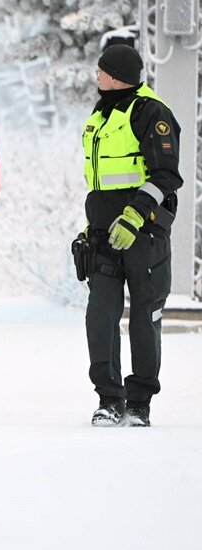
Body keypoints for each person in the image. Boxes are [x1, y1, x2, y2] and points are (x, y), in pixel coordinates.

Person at [78, 44, 181, 427]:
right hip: (105, 235)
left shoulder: (152, 113)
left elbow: (166, 175)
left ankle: (139, 402)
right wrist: (93, 224)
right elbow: (100, 183)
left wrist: (135, 215)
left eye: (102, 70)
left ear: (116, 75)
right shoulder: (102, 113)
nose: (97, 76)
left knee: (143, 317)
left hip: (146, 235)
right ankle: (110, 398)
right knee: (100, 316)